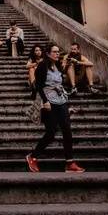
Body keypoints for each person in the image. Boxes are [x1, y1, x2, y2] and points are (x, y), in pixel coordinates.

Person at [26, 45, 85, 173]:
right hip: (49, 102)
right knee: (51, 133)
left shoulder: (57, 66)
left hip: (61, 101)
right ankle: (33, 156)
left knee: (67, 131)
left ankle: (69, 163)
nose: (57, 54)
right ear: (47, 54)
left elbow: (59, 85)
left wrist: (67, 105)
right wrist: (45, 101)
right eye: (54, 52)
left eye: (58, 52)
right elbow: (38, 86)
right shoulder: (42, 66)